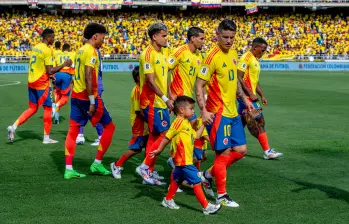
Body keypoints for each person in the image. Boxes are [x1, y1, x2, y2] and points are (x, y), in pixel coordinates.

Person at [196, 19, 254, 207]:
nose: (229, 41)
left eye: (232, 37)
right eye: (225, 37)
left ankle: (206, 175)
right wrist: (204, 111)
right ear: (217, 35)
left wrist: (245, 100)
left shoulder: (234, 53)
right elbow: (199, 85)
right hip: (218, 113)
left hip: (233, 111)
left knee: (241, 151)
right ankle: (221, 195)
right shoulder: (211, 57)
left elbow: (235, 81)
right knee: (223, 153)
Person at [150, 96, 221, 215]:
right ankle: (206, 207)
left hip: (183, 160)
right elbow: (168, 136)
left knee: (176, 179)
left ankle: (167, 200)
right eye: (191, 109)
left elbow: (196, 136)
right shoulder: (178, 122)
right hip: (184, 160)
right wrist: (159, 149)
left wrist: (203, 124)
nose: (193, 111)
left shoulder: (186, 123)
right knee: (197, 181)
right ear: (182, 110)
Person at [63, 23, 115, 179]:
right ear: (95, 36)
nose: (103, 41)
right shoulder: (92, 51)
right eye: (103, 37)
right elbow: (88, 76)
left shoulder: (80, 50)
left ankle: (68, 169)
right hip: (87, 97)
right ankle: (97, 163)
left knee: (73, 131)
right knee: (109, 127)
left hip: (76, 95)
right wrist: (92, 101)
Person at [7, 28, 72, 144]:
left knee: (32, 108)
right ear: (48, 38)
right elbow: (50, 70)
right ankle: (46, 138)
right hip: (41, 83)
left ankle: (13, 127)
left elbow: (40, 65)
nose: (54, 39)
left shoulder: (36, 47)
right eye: (52, 37)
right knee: (47, 108)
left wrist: (49, 75)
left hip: (31, 80)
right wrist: (64, 64)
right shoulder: (47, 50)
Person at [135, 22, 174, 185]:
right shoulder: (147, 54)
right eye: (163, 36)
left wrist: (170, 98)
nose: (166, 38)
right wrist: (165, 99)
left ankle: (149, 172)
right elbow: (150, 81)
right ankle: (144, 167)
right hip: (152, 102)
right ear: (154, 36)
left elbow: (166, 78)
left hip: (162, 102)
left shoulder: (164, 52)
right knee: (166, 134)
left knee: (155, 136)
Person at [237, 37, 283, 160]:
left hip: (249, 96)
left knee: (240, 123)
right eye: (262, 50)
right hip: (245, 97)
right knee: (257, 122)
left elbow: (255, 81)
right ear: (255, 47)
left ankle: (233, 147)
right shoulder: (246, 58)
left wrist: (262, 95)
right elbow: (238, 77)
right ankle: (267, 151)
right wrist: (249, 94)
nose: (264, 52)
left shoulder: (255, 60)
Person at [166, 26, 205, 169]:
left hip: (190, 100)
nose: (203, 42)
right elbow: (165, 71)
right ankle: (184, 164)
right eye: (201, 39)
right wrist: (170, 95)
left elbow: (202, 80)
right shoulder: (179, 52)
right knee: (193, 129)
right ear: (193, 38)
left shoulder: (199, 56)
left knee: (187, 131)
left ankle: (177, 158)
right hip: (180, 100)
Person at [110, 66, 148, 179]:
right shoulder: (137, 90)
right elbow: (138, 111)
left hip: (145, 123)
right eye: (144, 75)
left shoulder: (142, 88)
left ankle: (147, 170)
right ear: (138, 77)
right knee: (136, 148)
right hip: (139, 123)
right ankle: (117, 165)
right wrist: (151, 121)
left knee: (150, 147)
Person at [76, 44, 104, 146]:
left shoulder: (91, 51)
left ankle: (101, 136)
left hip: (92, 86)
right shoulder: (89, 50)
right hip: (89, 86)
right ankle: (80, 135)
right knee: (83, 110)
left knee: (92, 111)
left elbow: (89, 73)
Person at [52, 43, 75, 124]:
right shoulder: (73, 54)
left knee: (57, 95)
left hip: (57, 75)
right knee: (64, 98)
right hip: (67, 76)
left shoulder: (58, 55)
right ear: (69, 49)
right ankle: (55, 106)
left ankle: (56, 118)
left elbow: (53, 67)